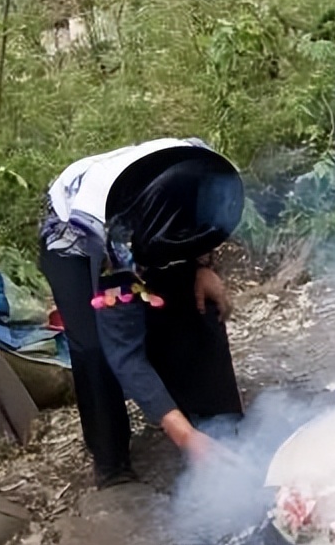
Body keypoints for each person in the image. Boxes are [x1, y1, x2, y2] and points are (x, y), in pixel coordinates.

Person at [37, 138, 245, 488]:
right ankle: (112, 464)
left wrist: (202, 266)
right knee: (96, 346)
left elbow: (202, 226)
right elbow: (125, 349)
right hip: (73, 234)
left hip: (145, 200)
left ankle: (214, 418)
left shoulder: (204, 167)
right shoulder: (115, 241)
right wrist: (183, 436)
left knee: (193, 298)